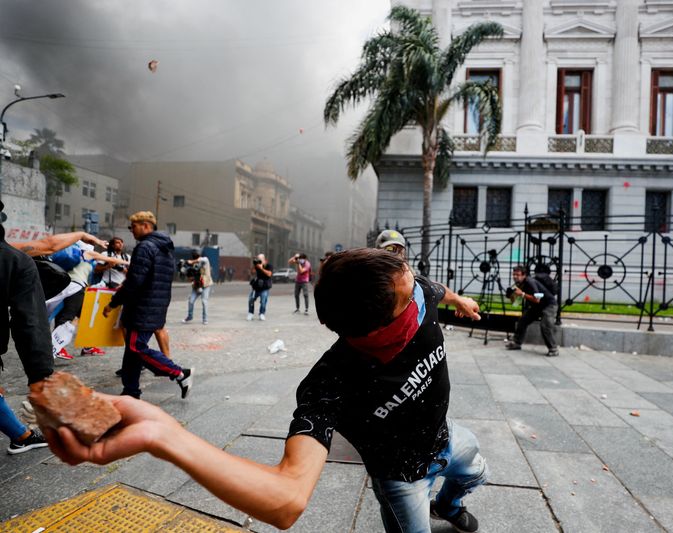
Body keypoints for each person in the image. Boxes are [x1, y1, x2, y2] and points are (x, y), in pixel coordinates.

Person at [45, 248, 486, 532]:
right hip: (400, 478)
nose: (421, 300)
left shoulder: (417, 294)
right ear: (375, 329)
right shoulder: (330, 384)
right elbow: (285, 500)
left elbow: (434, 289)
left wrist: (460, 300)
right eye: (409, 300)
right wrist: (164, 436)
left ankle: (447, 505)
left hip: (449, 437)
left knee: (476, 474)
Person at [102, 211, 193, 399]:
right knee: (132, 350)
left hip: (142, 307)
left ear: (146, 226)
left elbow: (134, 281)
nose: (131, 230)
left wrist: (113, 303)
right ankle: (131, 391)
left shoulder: (145, 247)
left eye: (133, 226)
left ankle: (180, 373)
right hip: (155, 305)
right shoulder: (166, 248)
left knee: (136, 347)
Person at [0, 200, 53, 454]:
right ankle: (22, 436)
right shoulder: (14, 260)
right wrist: (39, 377)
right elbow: (29, 323)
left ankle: (22, 435)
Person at [506, 264, 559, 356]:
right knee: (523, 320)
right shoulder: (519, 284)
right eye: (514, 274)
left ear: (524, 275)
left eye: (517, 275)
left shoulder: (530, 282)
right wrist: (511, 295)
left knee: (545, 325)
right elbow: (516, 303)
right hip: (537, 306)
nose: (515, 277)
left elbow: (537, 298)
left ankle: (553, 349)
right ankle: (517, 343)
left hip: (549, 305)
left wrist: (522, 294)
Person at [182, 248, 213, 325]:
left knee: (204, 301)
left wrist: (191, 261)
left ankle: (205, 319)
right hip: (197, 286)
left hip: (206, 285)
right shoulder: (194, 265)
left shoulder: (205, 260)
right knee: (191, 301)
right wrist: (187, 273)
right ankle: (190, 316)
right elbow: (190, 277)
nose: (195, 257)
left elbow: (203, 260)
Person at [247, 253, 272, 321]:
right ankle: (250, 313)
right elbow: (252, 272)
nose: (259, 261)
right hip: (256, 287)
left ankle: (262, 314)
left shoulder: (269, 265)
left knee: (263, 300)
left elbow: (269, 274)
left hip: (264, 287)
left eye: (260, 260)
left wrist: (262, 268)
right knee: (251, 299)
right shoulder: (257, 265)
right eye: (258, 259)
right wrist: (255, 265)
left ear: (264, 260)